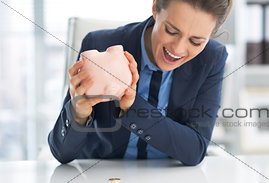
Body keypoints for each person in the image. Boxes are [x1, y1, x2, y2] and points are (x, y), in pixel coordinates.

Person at [48, 0, 233, 166]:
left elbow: (195, 150)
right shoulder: (100, 44)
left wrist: (132, 107)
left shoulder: (212, 58)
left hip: (169, 181)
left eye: (196, 41)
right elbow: (62, 154)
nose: (178, 48)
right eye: (171, 30)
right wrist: (78, 112)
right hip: (101, 179)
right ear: (155, 8)